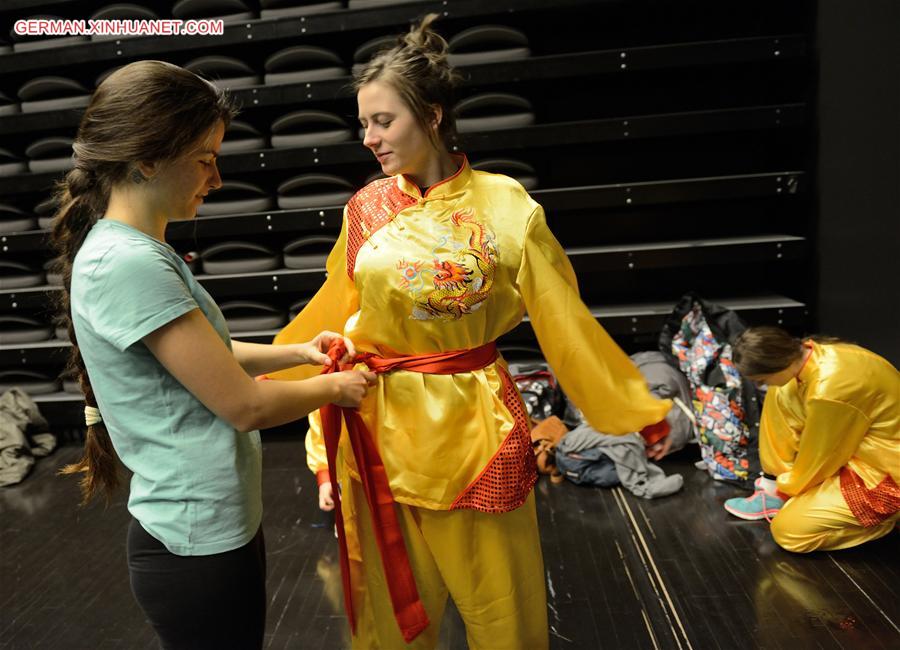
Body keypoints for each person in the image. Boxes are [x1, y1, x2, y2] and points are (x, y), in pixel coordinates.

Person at [266, 15, 672, 650]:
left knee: (502, 613)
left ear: (431, 115)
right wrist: (264, 380)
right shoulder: (366, 207)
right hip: (379, 423)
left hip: (474, 426)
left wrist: (628, 408)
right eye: (364, 122)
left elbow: (564, 318)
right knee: (394, 611)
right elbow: (331, 313)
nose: (368, 137)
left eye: (384, 120)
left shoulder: (506, 206)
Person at [52, 60, 375, 650]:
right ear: (147, 160)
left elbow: (209, 359)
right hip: (193, 544)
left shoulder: (134, 250)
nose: (217, 179)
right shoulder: (130, 263)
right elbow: (244, 406)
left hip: (209, 531)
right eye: (204, 160)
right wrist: (336, 388)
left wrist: (300, 353)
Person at [724, 327, 900, 552]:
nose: (762, 386)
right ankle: (772, 490)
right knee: (781, 392)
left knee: (788, 531)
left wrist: (791, 488)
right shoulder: (812, 350)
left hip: (886, 474)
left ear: (776, 363)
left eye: (761, 380)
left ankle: (886, 519)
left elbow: (822, 459)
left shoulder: (829, 390)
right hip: (868, 444)